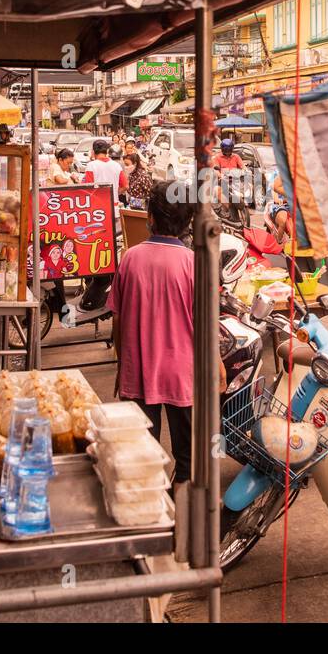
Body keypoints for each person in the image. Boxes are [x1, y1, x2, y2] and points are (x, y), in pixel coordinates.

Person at [108, 182, 196, 484]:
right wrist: (217, 366)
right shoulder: (193, 263)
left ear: (151, 216)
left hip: (138, 370)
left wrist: (122, 364)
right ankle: (182, 515)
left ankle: (153, 509)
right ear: (188, 222)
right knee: (187, 460)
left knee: (143, 458)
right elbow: (205, 325)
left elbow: (117, 320)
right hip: (182, 374)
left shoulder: (130, 258)